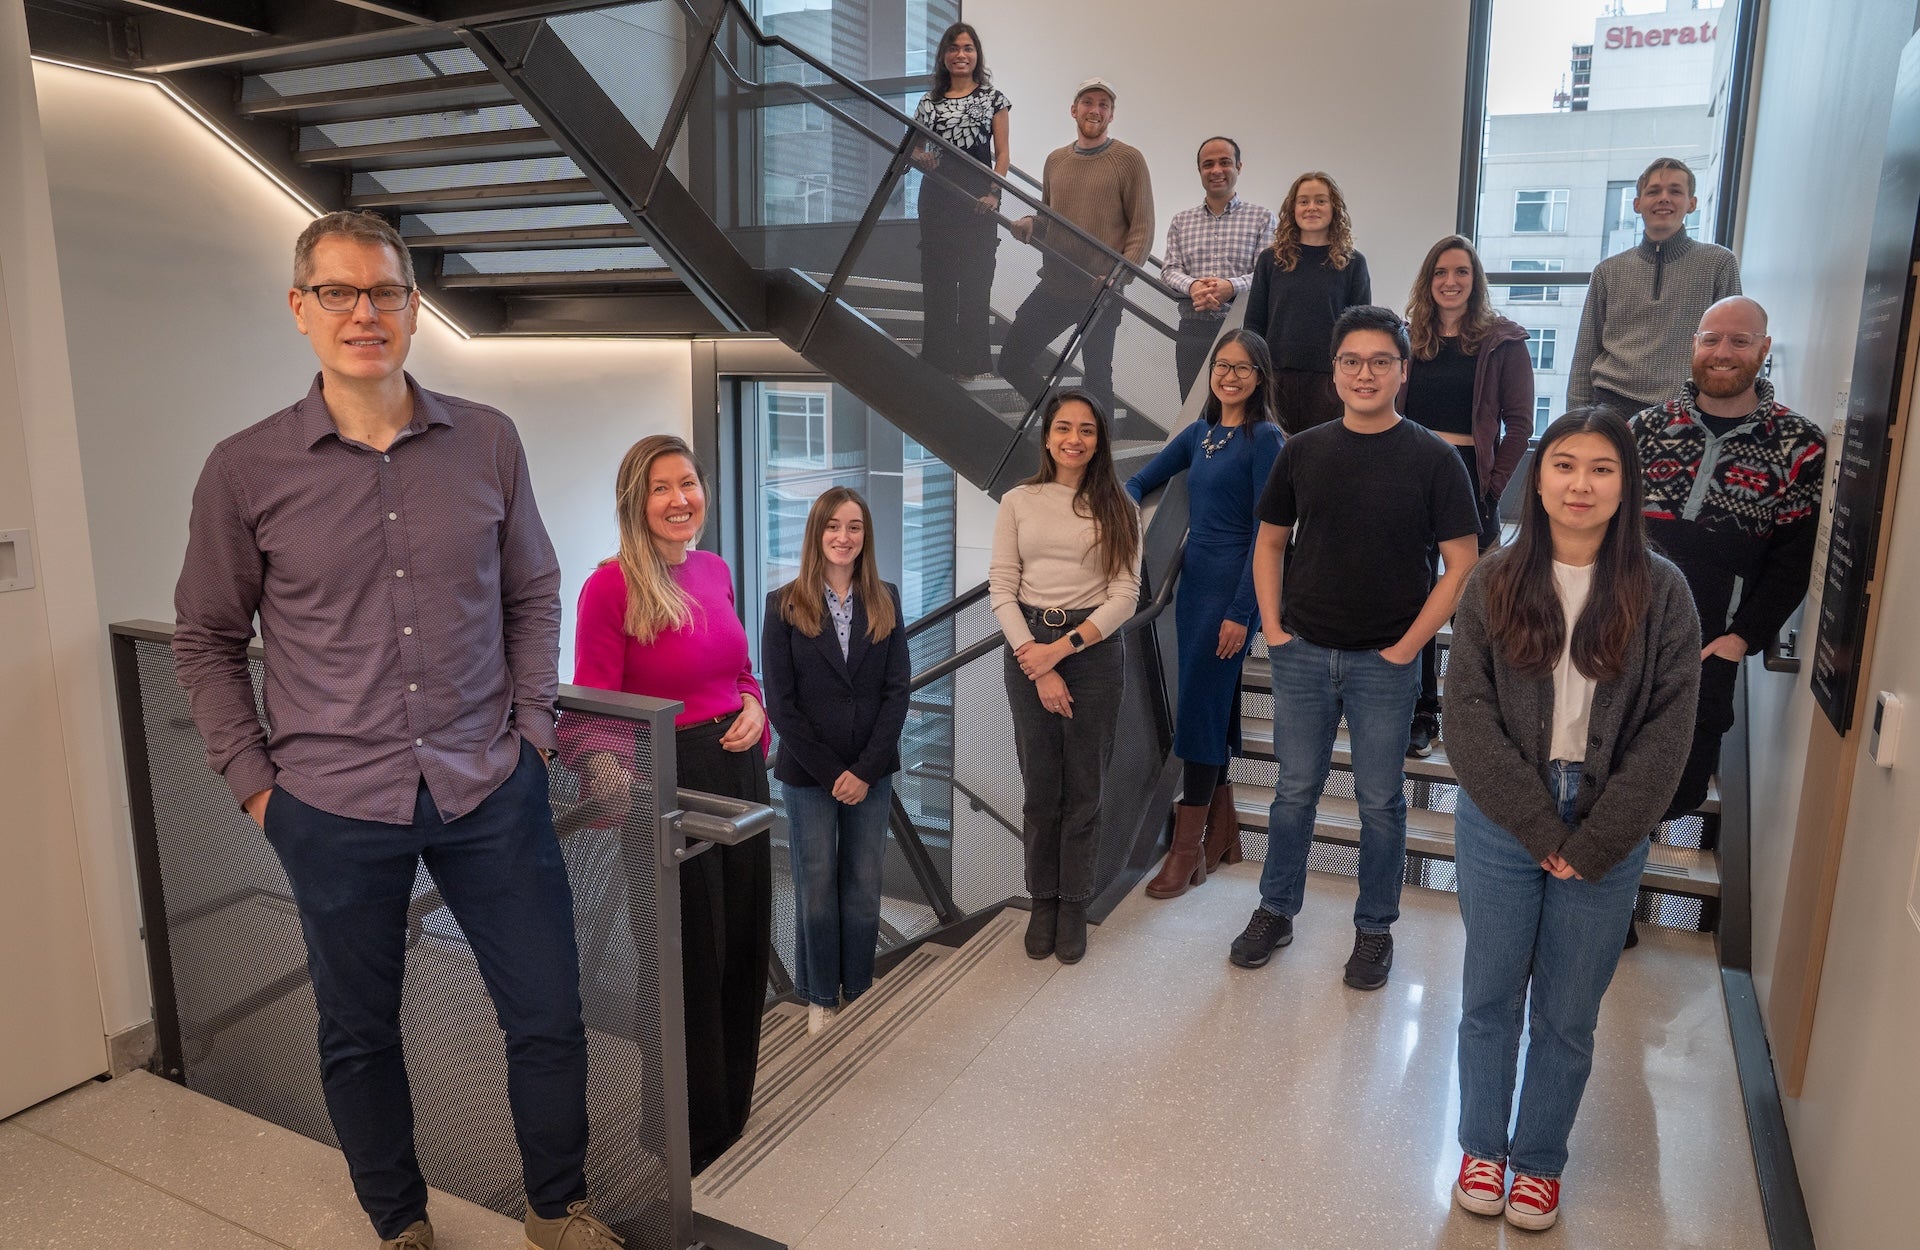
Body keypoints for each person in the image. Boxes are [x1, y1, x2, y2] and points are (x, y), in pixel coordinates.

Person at [173, 210, 618, 1250]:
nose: (364, 312)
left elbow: (534, 591)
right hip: (330, 804)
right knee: (360, 1032)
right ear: (300, 309)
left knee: (548, 1009)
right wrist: (256, 787)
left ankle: (556, 1207)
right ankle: (400, 1220)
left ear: (416, 309)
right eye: (338, 291)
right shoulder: (245, 470)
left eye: (385, 291)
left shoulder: (489, 440)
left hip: (488, 784)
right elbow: (205, 636)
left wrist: (533, 733)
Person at [1444, 408, 1701, 1232]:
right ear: (1538, 475)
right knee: (1489, 996)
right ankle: (1482, 1146)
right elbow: (1467, 714)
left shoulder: (1661, 590)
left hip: (1607, 823)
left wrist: (1590, 840)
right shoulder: (1494, 579)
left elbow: (1667, 731)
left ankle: (1539, 1163)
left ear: (1626, 485)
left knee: (1569, 1011)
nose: (1579, 484)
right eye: (1563, 465)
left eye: (1600, 469)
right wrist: (1538, 829)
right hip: (1501, 815)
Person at [1234, 306, 1480, 989]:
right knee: (1294, 793)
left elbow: (1463, 562)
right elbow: (1270, 543)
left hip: (1385, 663)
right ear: (1335, 371)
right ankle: (1275, 910)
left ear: (1402, 372)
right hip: (1303, 651)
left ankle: (1374, 930)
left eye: (1380, 362)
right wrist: (1275, 629)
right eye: (1352, 361)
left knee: (1379, 801)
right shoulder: (1303, 450)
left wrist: (1407, 649)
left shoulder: (1433, 458)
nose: (1364, 373)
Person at [565, 434, 772, 1174]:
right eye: (663, 488)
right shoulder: (609, 588)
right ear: (635, 501)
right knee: (683, 959)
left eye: (689, 483)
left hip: (739, 770)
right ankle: (683, 1134)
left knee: (743, 940)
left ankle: (730, 1112)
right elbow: (592, 708)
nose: (681, 499)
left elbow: (740, 672)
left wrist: (757, 706)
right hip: (663, 778)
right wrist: (609, 775)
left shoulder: (714, 571)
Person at [1632, 297, 1825, 821]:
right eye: (1711, 338)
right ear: (1693, 345)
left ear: (1764, 349)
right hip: (1620, 637)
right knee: (1600, 779)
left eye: (1739, 341)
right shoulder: (1643, 431)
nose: (1723, 352)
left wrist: (1742, 639)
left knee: (1676, 793)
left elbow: (1794, 559)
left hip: (1709, 651)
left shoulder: (1800, 445)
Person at [1126, 329, 1284, 896]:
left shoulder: (1265, 438)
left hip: (1231, 596)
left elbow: (1271, 534)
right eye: (1222, 365)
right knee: (1210, 706)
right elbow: (1141, 480)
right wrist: (1112, 503)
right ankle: (1225, 831)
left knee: (1197, 710)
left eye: (1243, 367)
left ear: (1260, 376)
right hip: (1194, 590)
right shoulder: (1200, 434)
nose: (1230, 375)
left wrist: (1244, 612)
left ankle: (1186, 847)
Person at [991, 388, 1142, 964]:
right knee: (1041, 787)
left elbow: (1125, 596)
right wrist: (1036, 655)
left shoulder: (1118, 506)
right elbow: (1002, 587)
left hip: (1094, 652)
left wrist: (1063, 652)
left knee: (1085, 786)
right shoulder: (1018, 501)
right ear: (1047, 435)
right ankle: (1044, 900)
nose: (1073, 439)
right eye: (1063, 427)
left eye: (1086, 430)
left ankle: (1074, 901)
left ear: (1099, 440)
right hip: (1028, 644)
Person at [760, 488, 912, 1036]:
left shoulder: (886, 598)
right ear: (816, 533)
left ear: (865, 536)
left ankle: (859, 984)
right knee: (816, 882)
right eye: (832, 526)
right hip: (809, 774)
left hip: (871, 770)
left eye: (854, 527)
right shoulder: (783, 605)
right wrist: (833, 774)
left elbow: (897, 692)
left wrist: (865, 770)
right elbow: (781, 704)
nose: (843, 537)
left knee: (865, 881)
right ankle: (821, 993)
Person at [1398, 234, 1536, 758]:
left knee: (1472, 603)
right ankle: (1421, 711)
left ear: (1475, 280)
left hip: (1467, 476)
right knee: (1416, 595)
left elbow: (1520, 425)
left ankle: (1477, 715)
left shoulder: (1503, 341)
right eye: (1440, 272)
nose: (1450, 281)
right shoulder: (1410, 338)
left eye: (1460, 272)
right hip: (1410, 472)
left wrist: (1493, 486)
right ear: (1427, 282)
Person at [998, 78, 1154, 415]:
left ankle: (1100, 457)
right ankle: (1064, 420)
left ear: (1111, 115)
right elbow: (1048, 218)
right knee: (1011, 360)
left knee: (1098, 380)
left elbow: (1141, 228)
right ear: (1074, 110)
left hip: (1101, 293)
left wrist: (1118, 276)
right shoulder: (1056, 160)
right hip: (1055, 286)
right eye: (1088, 102)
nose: (1095, 110)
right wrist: (1030, 223)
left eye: (1103, 105)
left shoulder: (1129, 159)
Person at [1568, 156, 1742, 417]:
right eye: (1653, 191)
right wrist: (1575, 422)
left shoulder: (1718, 264)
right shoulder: (1608, 271)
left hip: (1686, 411)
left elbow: (1736, 349)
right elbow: (1585, 353)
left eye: (1675, 191)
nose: (1664, 198)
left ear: (1691, 203)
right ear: (1637, 204)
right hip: (1612, 407)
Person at [911, 22, 1011, 381]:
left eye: (967, 48)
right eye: (953, 48)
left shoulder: (993, 99)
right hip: (937, 197)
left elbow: (1002, 155)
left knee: (975, 280)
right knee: (938, 280)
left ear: (976, 55)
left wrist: (994, 194)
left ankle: (971, 364)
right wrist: (920, 157)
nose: (960, 55)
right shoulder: (928, 103)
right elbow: (914, 150)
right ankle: (937, 360)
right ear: (944, 56)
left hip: (977, 199)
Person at [1242, 171, 1371, 436]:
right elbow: (1254, 323)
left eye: (1320, 201)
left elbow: (1361, 331)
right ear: (1293, 208)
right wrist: (1255, 374)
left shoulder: (1353, 263)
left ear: (1334, 208)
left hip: (1330, 381)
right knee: (1275, 459)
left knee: (1322, 459)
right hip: (1276, 378)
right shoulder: (1271, 260)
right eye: (1303, 201)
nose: (1311, 207)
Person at [1160, 137, 1277, 399]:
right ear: (1200, 170)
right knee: (1191, 409)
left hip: (1244, 331)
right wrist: (1193, 286)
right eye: (1208, 164)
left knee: (1243, 409)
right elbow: (1169, 270)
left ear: (1239, 167)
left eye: (1224, 163)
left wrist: (1230, 287)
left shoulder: (1262, 218)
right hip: (1193, 330)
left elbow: (1267, 274)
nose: (1216, 170)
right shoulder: (1181, 221)